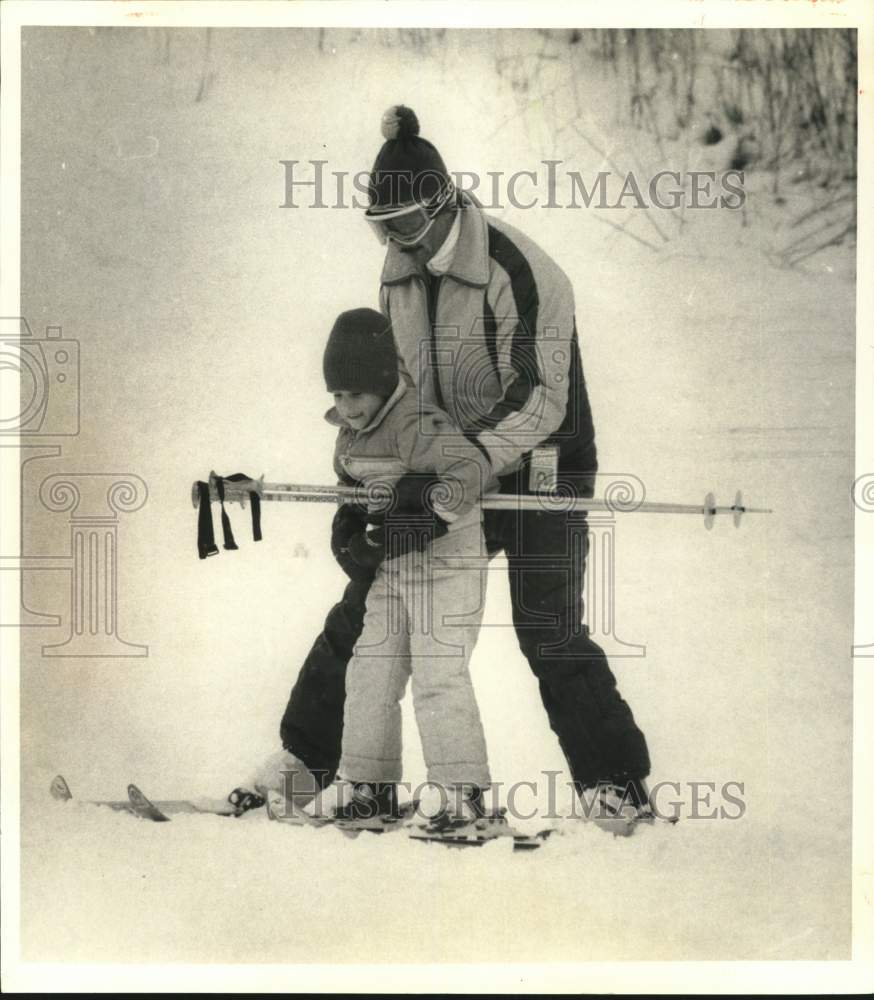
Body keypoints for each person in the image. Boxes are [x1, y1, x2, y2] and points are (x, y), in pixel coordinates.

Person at [253, 105, 652, 828]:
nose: (392, 240)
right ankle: (308, 763)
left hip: (541, 464)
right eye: (379, 225)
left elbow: (538, 401)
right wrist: (360, 498)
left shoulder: (525, 272)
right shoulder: (399, 273)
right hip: (436, 469)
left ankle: (614, 782)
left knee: (547, 623)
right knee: (367, 606)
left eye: (403, 223)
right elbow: (387, 397)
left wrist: (440, 483)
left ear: (442, 206)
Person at [267, 307, 495, 828]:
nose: (347, 408)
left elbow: (472, 469)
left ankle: (463, 795)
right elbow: (353, 491)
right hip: (395, 566)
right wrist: (351, 526)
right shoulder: (348, 434)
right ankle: (367, 784)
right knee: (370, 670)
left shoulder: (415, 422)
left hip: (447, 564)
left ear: (385, 382)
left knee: (439, 674)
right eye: (338, 396)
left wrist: (428, 514)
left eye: (357, 394)